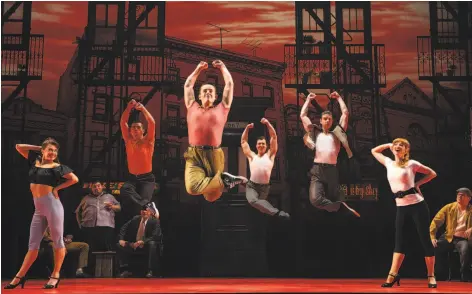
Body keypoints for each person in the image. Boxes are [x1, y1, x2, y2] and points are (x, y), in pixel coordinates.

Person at [5, 138, 79, 289]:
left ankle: (55, 275)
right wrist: (40, 147)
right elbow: (19, 146)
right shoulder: (35, 161)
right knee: (32, 245)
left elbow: (74, 179)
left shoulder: (57, 167)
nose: (52, 153)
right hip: (38, 209)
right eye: (49, 150)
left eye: (55, 150)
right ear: (43, 151)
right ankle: (20, 276)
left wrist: (57, 188)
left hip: (52, 205)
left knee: (57, 241)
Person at [371, 138, 438, 288]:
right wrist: (389, 145)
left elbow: (432, 173)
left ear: (407, 150)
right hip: (401, 207)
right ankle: (392, 275)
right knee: (399, 241)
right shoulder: (388, 163)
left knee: (424, 239)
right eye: (396, 144)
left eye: (402, 145)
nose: (398, 146)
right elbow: (374, 151)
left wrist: (418, 184)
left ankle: (431, 275)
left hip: (417, 205)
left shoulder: (411, 164)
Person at [183, 60, 247, 202]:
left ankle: (222, 179)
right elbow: (188, 85)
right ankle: (224, 179)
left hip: (214, 154)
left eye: (210, 91)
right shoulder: (191, 106)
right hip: (194, 155)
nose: (207, 92)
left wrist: (223, 67)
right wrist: (198, 69)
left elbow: (229, 85)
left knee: (212, 197)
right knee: (192, 188)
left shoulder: (222, 108)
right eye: (204, 91)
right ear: (198, 96)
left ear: (215, 97)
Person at [300, 92, 360, 217]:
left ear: (332, 121)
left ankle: (338, 208)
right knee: (315, 199)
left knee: (335, 198)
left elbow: (345, 113)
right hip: (317, 170)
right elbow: (303, 115)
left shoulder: (337, 134)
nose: (327, 121)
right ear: (321, 121)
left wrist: (339, 98)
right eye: (325, 119)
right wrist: (308, 100)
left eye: (330, 119)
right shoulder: (315, 132)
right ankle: (339, 207)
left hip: (332, 170)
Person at [241, 119, 290, 219]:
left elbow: (274, 137)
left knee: (260, 210)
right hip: (252, 186)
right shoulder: (252, 156)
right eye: (259, 143)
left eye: (263, 143)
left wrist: (268, 123)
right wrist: (246, 128)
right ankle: (277, 213)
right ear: (256, 146)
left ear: (266, 145)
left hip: (264, 188)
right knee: (252, 201)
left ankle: (241, 180)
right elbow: (244, 141)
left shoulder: (270, 155)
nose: (261, 145)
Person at [119, 99, 159, 221]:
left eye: (138, 127)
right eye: (133, 128)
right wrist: (128, 108)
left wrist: (143, 109)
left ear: (143, 131)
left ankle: (147, 224)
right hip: (132, 178)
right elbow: (123, 121)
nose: (135, 129)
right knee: (125, 188)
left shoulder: (148, 141)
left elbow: (152, 123)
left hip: (147, 179)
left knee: (141, 207)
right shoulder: (128, 140)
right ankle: (147, 206)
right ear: (130, 131)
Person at [430, 187, 472, 282]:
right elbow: (435, 222)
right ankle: (440, 275)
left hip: (462, 239)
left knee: (465, 250)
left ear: (469, 198)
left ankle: (465, 275)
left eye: (462, 195)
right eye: (458, 195)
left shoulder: (471, 210)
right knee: (436, 246)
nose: (459, 197)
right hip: (449, 236)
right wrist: (432, 237)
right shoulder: (449, 207)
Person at [117, 206, 162, 278]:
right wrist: (121, 239)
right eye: (142, 211)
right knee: (120, 245)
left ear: (150, 212)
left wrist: (143, 241)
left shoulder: (155, 221)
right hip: (134, 243)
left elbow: (156, 236)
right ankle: (125, 270)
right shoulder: (135, 218)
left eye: (146, 210)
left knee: (152, 244)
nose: (144, 212)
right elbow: (123, 228)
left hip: (146, 244)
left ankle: (150, 271)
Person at [76, 180, 121, 251]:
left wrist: (112, 206)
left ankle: (105, 262)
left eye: (98, 186)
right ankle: (89, 262)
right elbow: (78, 212)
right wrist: (80, 224)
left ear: (102, 187)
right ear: (91, 188)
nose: (96, 188)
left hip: (106, 227)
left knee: (106, 249)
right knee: (89, 249)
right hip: (88, 227)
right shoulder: (86, 198)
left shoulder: (110, 197)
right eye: (94, 186)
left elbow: (119, 208)